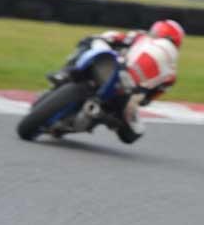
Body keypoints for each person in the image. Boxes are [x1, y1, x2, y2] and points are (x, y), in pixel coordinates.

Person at [49, 19, 184, 143]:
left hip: (120, 84)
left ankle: (66, 77)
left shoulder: (141, 38)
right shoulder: (171, 72)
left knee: (132, 133)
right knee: (90, 42)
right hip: (113, 73)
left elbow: (148, 97)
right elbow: (148, 99)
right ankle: (66, 73)